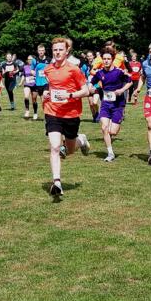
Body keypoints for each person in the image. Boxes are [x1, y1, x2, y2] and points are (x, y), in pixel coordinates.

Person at [42, 37, 92, 198]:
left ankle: (81, 140)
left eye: (60, 50)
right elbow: (50, 86)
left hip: (71, 114)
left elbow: (86, 91)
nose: (57, 52)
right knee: (55, 146)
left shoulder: (74, 69)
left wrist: (70, 95)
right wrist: (46, 93)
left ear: (66, 51)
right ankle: (57, 182)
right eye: (55, 50)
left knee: (69, 150)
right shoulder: (48, 69)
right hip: (52, 112)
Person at [90, 47, 133, 162]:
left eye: (108, 59)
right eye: (104, 59)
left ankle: (118, 120)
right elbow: (91, 83)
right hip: (105, 103)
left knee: (112, 131)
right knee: (104, 127)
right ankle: (110, 153)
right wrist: (92, 88)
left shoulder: (119, 72)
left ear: (113, 59)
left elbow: (130, 82)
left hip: (118, 104)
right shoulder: (100, 73)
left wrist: (122, 90)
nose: (106, 61)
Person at [32, 45, 50, 121]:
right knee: (34, 99)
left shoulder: (49, 60)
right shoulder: (34, 60)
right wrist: (34, 73)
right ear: (37, 51)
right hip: (36, 83)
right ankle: (35, 113)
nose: (41, 52)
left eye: (42, 50)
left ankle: (46, 115)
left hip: (45, 83)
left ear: (44, 51)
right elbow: (32, 70)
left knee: (43, 100)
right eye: (40, 50)